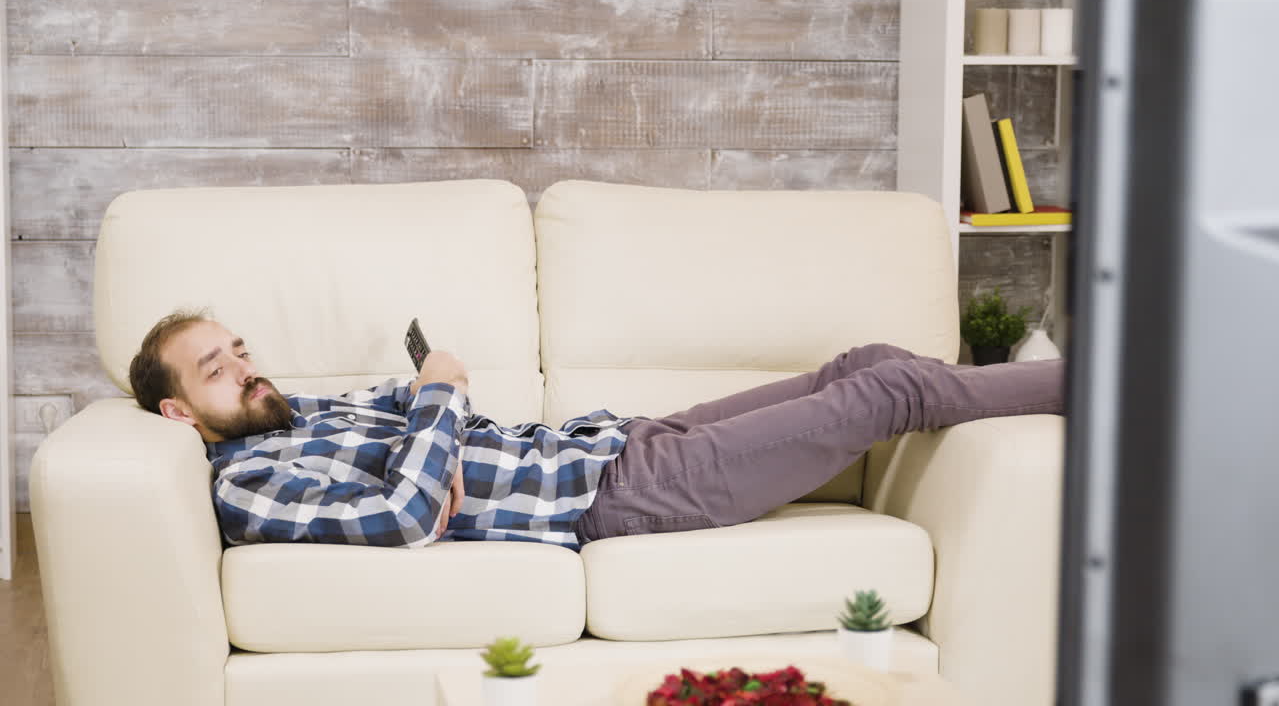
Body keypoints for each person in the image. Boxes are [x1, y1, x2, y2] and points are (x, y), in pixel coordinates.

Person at [129, 308, 1065, 551]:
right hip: (612, 496)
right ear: (178, 411)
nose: (246, 368)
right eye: (217, 369)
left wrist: (427, 429)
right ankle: (1128, 383)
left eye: (240, 349)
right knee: (885, 396)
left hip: (607, 439)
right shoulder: (244, 481)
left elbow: (411, 458)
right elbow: (410, 517)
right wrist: (441, 400)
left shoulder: (300, 413)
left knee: (860, 363)